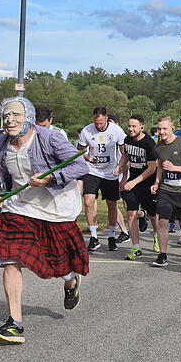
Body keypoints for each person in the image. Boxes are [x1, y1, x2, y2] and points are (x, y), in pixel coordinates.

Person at [0, 97, 90, 344]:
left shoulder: (49, 138)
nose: (10, 121)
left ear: (28, 117)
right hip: (19, 206)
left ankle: (71, 281)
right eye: (6, 116)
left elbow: (80, 167)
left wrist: (51, 179)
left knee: (60, 263)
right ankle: (14, 324)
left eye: (16, 116)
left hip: (55, 206)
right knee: (9, 254)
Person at [77, 106, 130, 252]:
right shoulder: (87, 131)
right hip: (92, 171)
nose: (98, 125)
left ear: (106, 118)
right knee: (88, 201)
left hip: (110, 172)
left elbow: (124, 153)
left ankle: (112, 235)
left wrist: (119, 168)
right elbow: (78, 151)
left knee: (112, 204)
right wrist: (87, 157)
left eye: (100, 123)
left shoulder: (116, 130)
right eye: (96, 123)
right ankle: (94, 237)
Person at [151, 115, 181, 267]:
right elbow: (160, 166)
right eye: (159, 129)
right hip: (166, 190)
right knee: (162, 221)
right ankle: (163, 255)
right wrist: (157, 182)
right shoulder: (158, 146)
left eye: (165, 128)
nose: (161, 132)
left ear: (172, 128)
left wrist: (175, 168)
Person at [116, 114, 159, 260]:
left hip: (148, 183)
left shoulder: (149, 143)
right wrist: (119, 167)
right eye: (129, 126)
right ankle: (136, 247)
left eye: (134, 126)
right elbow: (125, 156)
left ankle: (157, 235)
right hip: (133, 181)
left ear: (142, 127)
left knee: (154, 215)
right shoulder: (127, 140)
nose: (130, 129)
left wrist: (135, 182)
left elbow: (152, 168)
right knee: (131, 213)